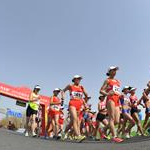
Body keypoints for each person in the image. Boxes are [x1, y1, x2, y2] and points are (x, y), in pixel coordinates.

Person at [62, 75, 89, 142]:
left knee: (72, 122)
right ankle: (78, 136)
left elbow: (86, 95)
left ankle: (64, 132)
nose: (79, 80)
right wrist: (63, 98)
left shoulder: (81, 87)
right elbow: (63, 91)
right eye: (78, 79)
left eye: (80, 79)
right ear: (74, 79)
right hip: (72, 104)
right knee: (75, 119)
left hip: (79, 106)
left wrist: (85, 98)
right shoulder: (70, 86)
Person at [100, 66, 123, 143]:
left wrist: (121, 95)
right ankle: (114, 136)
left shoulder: (118, 81)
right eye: (113, 70)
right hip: (110, 99)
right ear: (109, 72)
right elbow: (101, 90)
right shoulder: (107, 80)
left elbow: (118, 92)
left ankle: (103, 129)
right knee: (111, 119)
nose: (114, 72)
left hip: (117, 100)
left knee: (116, 121)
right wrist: (107, 93)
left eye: (115, 70)